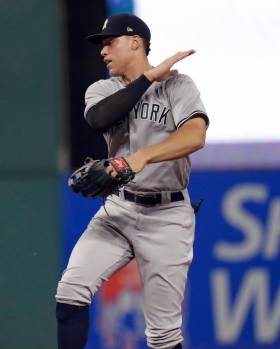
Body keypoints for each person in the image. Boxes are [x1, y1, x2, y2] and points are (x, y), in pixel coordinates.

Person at [55, 13, 208, 349]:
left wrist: (141, 156)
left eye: (110, 42)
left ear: (135, 42)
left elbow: (195, 136)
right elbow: (98, 120)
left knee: (163, 336)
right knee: (70, 291)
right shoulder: (103, 89)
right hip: (119, 210)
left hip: (168, 214)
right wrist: (148, 77)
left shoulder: (178, 86)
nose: (103, 51)